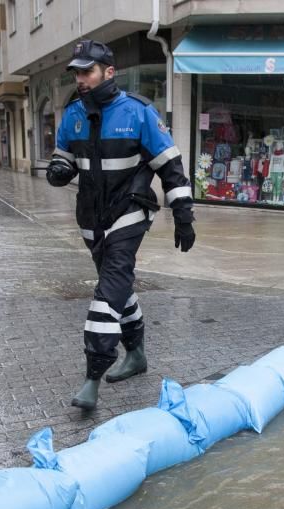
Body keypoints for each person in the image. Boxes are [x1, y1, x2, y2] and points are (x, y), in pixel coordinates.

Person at [46, 39, 195, 410]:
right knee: (120, 289)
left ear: (109, 72)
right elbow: (61, 158)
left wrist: (184, 217)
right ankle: (137, 354)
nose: (81, 79)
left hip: (130, 214)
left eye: (88, 71)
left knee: (106, 294)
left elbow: (171, 169)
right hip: (90, 219)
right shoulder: (73, 114)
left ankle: (92, 379)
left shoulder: (139, 112)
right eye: (77, 72)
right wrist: (59, 171)